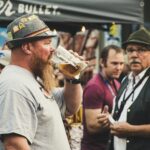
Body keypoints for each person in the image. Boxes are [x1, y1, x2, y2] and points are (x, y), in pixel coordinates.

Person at [0, 14, 83, 150]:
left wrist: (72, 78)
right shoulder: (14, 85)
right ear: (27, 48)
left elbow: (69, 107)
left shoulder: (31, 80)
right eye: (47, 43)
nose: (52, 49)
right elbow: (14, 145)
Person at [108, 27, 150, 150]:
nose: (134, 55)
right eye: (130, 50)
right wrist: (109, 119)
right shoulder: (126, 80)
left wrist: (131, 130)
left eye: (141, 50)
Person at [81, 45, 125, 150]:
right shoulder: (94, 86)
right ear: (102, 62)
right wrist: (116, 121)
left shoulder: (117, 83)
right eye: (114, 63)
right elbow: (92, 126)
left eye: (121, 63)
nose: (118, 68)